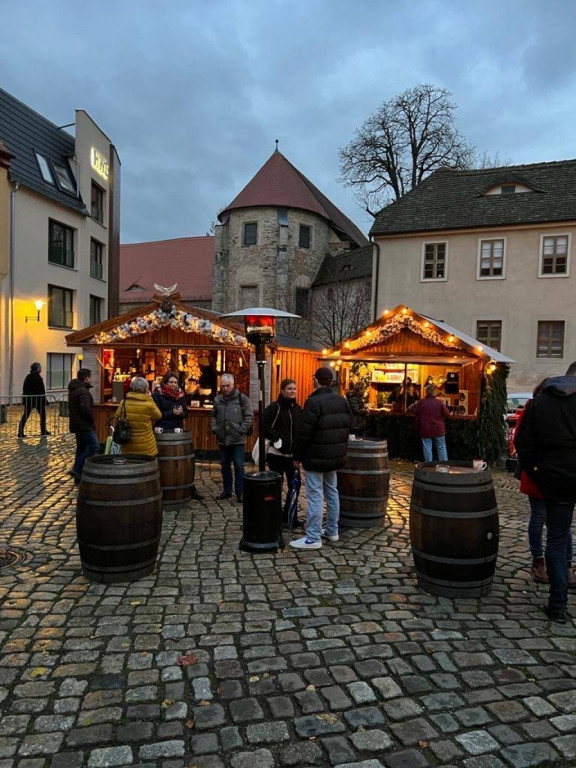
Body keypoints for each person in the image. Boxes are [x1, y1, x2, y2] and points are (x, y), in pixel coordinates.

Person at [515, 361, 576, 623]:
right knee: (559, 537)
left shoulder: (540, 403)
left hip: (553, 479)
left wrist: (537, 471)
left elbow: (522, 441)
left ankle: (558, 604)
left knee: (557, 538)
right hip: (561, 477)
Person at [291, 367, 352, 550]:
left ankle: (313, 536)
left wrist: (297, 456)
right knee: (332, 492)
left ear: (316, 380)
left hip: (316, 457)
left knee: (315, 495)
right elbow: (349, 426)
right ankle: (332, 530)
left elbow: (304, 433)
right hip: (334, 456)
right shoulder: (342, 401)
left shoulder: (313, 402)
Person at [153, 371, 204, 500]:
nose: (173, 384)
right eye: (171, 382)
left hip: (177, 431)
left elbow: (186, 413)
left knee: (184, 461)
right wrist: (172, 413)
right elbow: (156, 414)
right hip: (163, 431)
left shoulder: (180, 394)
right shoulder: (157, 394)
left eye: (175, 382)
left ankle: (189, 488)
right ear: (165, 382)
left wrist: (181, 413)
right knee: (164, 463)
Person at [211, 373, 253, 502]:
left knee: (239, 466)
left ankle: (240, 492)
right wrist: (214, 428)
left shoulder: (242, 399)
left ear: (233, 385)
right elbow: (213, 415)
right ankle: (227, 491)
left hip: (237, 439)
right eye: (223, 386)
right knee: (225, 466)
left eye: (227, 386)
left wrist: (241, 430)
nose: (225, 388)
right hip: (223, 438)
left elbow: (249, 416)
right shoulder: (217, 400)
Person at [264, 378, 302, 497]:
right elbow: (263, 426)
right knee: (276, 486)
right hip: (276, 455)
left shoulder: (298, 409)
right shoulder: (274, 407)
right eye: (289, 388)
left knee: (295, 485)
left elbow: (301, 432)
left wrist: (298, 455)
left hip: (292, 457)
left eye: (294, 389)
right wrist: (277, 438)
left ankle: (290, 514)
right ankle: (275, 513)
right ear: (282, 391)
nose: (292, 391)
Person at [115, 376, 162, 456]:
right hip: (146, 445)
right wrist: (150, 398)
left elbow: (117, 418)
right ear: (146, 389)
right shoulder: (149, 404)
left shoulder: (123, 403)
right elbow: (158, 416)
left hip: (128, 444)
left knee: (130, 465)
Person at [68, 368, 99, 483]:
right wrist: (92, 420)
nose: (91, 379)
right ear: (86, 378)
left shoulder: (75, 389)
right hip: (84, 425)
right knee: (94, 446)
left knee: (81, 448)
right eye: (90, 377)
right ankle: (77, 469)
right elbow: (85, 409)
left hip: (77, 424)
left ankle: (78, 475)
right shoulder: (83, 391)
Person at [414, 384, 450, 462]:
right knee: (441, 447)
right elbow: (447, 414)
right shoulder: (439, 402)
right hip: (438, 429)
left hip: (425, 428)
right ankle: (444, 465)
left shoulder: (421, 402)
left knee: (427, 447)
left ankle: (428, 466)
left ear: (426, 392)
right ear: (433, 392)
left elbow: (416, 413)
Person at [18, 362, 50, 438]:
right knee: (42, 415)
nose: (41, 368)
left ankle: (20, 432)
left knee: (26, 415)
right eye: (40, 367)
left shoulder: (28, 377)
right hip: (37, 400)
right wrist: (44, 400)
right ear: (37, 369)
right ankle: (43, 431)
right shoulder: (38, 378)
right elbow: (41, 391)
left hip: (29, 400)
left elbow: (25, 389)